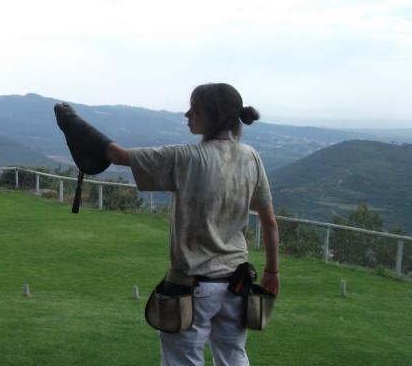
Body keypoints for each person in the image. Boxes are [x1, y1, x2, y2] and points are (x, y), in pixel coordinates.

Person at [57, 83, 280, 366]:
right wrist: (272, 271)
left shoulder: (184, 157)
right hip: (237, 285)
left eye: (194, 110)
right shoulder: (251, 157)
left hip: (193, 285)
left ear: (215, 116)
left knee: (182, 360)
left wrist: (72, 122)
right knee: (233, 355)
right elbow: (269, 221)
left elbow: (116, 155)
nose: (187, 114)